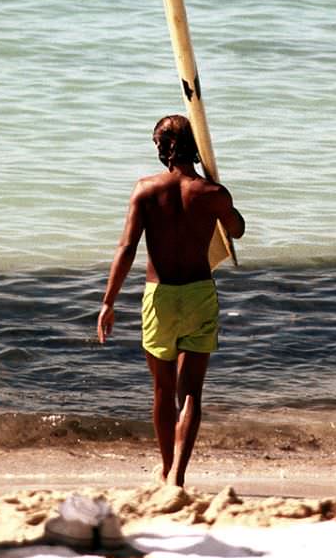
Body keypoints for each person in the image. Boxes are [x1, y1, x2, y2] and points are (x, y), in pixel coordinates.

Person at [97, 114, 245, 487]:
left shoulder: (145, 191)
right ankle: (179, 474)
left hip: (159, 295)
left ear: (161, 149)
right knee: (191, 392)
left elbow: (127, 248)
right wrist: (223, 197)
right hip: (198, 293)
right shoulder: (211, 194)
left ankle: (166, 470)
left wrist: (108, 301)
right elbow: (238, 229)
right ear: (196, 146)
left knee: (163, 391)